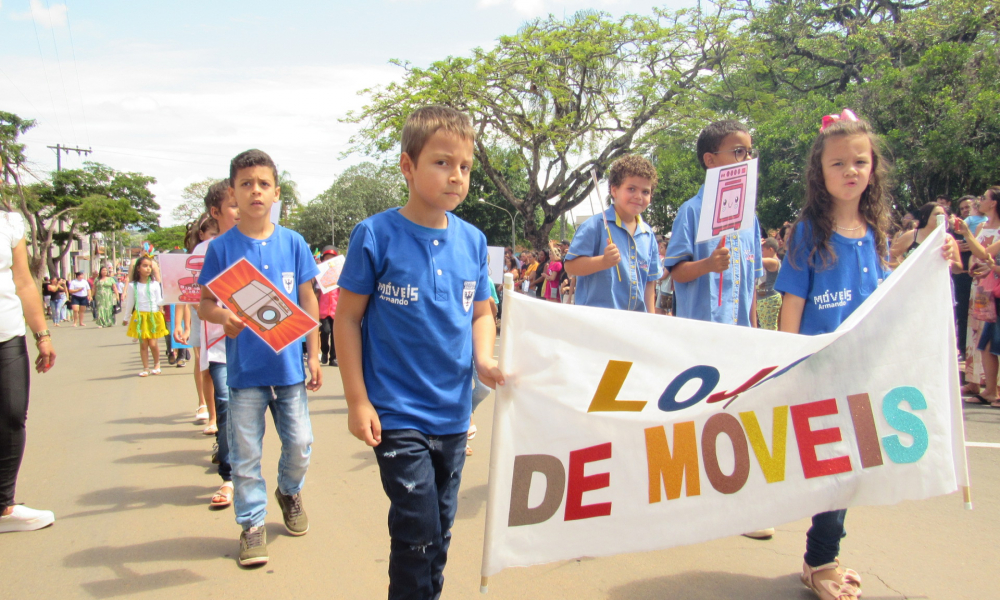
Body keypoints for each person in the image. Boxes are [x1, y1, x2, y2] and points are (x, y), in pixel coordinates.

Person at [775, 109, 956, 600]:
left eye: (860, 161)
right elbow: (792, 304)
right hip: (820, 371)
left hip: (864, 372)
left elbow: (888, 295)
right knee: (831, 466)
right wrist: (789, 366)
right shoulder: (809, 232)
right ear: (820, 172)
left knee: (850, 466)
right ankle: (820, 561)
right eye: (838, 163)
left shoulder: (877, 232)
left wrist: (938, 261)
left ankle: (821, 555)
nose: (850, 170)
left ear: (872, 167)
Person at [335, 106, 503, 600]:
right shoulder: (375, 234)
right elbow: (346, 319)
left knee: (440, 531)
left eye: (465, 166)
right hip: (396, 415)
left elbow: (481, 313)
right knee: (417, 530)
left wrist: (486, 361)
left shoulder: (473, 240)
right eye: (442, 162)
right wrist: (356, 401)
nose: (456, 176)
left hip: (453, 415)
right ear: (408, 166)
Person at [198, 150, 321, 567]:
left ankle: (288, 490)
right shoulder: (221, 248)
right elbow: (204, 305)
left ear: (276, 192)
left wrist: (315, 355)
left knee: (301, 444)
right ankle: (251, 524)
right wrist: (223, 317)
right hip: (246, 373)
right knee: (246, 454)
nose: (255, 191)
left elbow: (308, 299)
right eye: (246, 184)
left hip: (289, 371)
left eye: (263, 184)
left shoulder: (294, 243)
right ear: (232, 192)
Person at [664, 120, 763, 327]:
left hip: (741, 336)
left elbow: (751, 285)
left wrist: (754, 332)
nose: (748, 158)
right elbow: (677, 273)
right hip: (701, 335)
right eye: (739, 152)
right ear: (710, 160)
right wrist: (708, 264)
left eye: (749, 152)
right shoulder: (691, 211)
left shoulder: (750, 218)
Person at [178, 181, 239, 508]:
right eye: (232, 205)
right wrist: (183, 322)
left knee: (287, 424)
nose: (241, 209)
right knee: (226, 405)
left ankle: (288, 485)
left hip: (265, 348)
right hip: (218, 343)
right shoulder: (205, 252)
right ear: (215, 214)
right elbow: (192, 298)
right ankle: (229, 478)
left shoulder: (267, 243)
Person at [0, 211, 57, 534]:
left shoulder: (9, 223)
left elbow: (23, 281)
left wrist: (42, 335)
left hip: (7, 332)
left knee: (10, 415)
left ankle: (4, 505)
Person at [564, 154, 662, 312]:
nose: (638, 196)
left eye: (645, 192)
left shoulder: (648, 235)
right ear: (614, 190)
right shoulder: (595, 226)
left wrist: (650, 321)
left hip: (634, 325)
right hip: (597, 323)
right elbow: (570, 266)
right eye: (631, 189)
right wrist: (603, 261)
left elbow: (649, 283)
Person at [176, 213, 220, 432]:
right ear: (201, 235)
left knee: (221, 366)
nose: (216, 238)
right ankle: (208, 409)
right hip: (200, 315)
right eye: (212, 234)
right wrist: (199, 309)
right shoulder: (194, 257)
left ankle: (221, 413)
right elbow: (182, 294)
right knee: (204, 363)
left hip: (221, 315)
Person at [121, 256, 168, 376]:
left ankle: (157, 364)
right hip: (140, 316)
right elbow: (130, 302)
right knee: (143, 344)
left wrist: (168, 299)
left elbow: (159, 300)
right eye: (145, 266)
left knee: (153, 343)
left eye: (150, 266)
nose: (148, 269)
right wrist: (126, 318)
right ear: (138, 268)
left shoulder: (155, 284)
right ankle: (145, 367)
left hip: (153, 315)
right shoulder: (133, 286)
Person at [316, 245, 340, 367]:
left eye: (332, 259)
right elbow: (315, 292)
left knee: (336, 333)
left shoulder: (341, 274)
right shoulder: (318, 274)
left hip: (337, 309)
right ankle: (325, 350)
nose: (329, 261)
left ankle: (333, 358)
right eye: (327, 258)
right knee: (325, 331)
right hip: (324, 310)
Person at [756, 237, 782, 330]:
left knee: (769, 329)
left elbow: (755, 260)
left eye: (762, 250)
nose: (761, 252)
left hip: (769, 299)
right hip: (763, 299)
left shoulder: (774, 261)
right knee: (765, 328)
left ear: (770, 249)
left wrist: (755, 246)